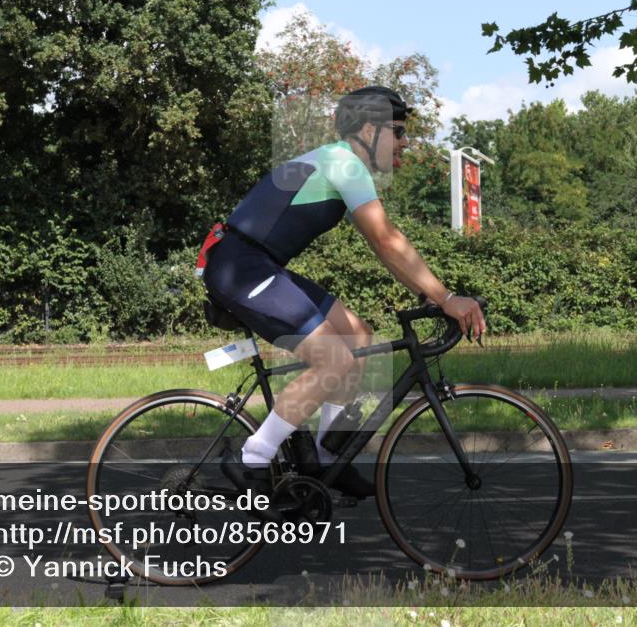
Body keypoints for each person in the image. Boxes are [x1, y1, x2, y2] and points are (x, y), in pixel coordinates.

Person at [201, 86, 486, 498]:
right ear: (369, 129)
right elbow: (386, 241)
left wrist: (432, 295)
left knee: (356, 334)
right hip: (238, 267)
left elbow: (388, 247)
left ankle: (324, 456)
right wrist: (444, 298)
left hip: (254, 263)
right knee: (332, 358)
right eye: (398, 131)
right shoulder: (344, 163)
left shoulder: (339, 161)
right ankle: (254, 458)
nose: (404, 142)